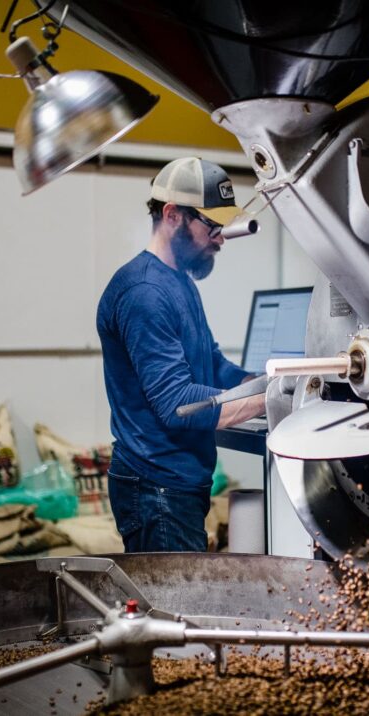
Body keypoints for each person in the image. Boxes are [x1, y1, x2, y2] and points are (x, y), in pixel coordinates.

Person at [97, 157, 265, 553]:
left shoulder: (179, 282)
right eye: (212, 226)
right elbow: (178, 405)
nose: (221, 238)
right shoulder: (144, 293)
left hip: (176, 485)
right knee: (172, 614)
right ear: (172, 215)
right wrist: (269, 401)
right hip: (156, 489)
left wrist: (263, 381)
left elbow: (212, 365)